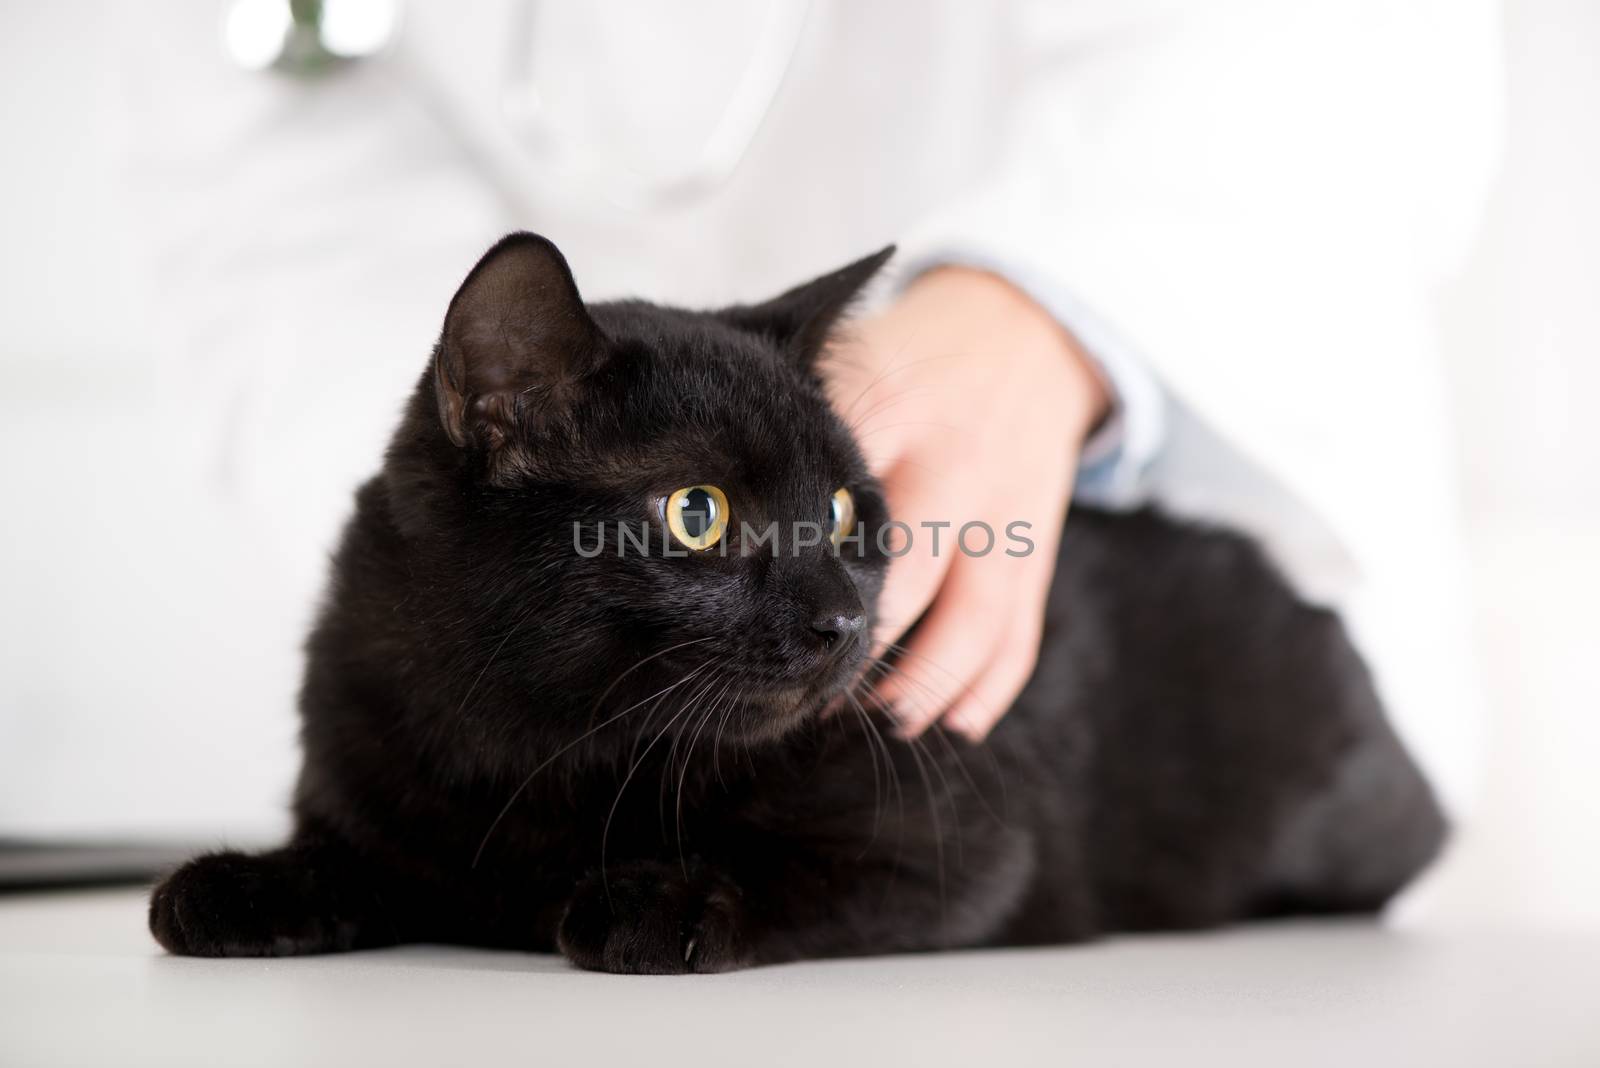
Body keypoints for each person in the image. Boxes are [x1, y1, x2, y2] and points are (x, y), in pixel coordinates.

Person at [64, 0, 1498, 835]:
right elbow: (275, 220)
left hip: (1177, 539)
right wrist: (489, 672)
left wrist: (1049, 303)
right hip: (588, 727)